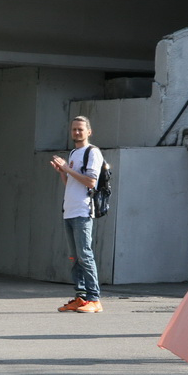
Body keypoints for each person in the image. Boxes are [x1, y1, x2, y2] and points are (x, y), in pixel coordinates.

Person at [50, 116, 104, 313]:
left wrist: (67, 168)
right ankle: (80, 297)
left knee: (85, 255)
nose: (77, 133)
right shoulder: (74, 153)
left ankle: (94, 298)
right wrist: (62, 172)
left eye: (80, 129)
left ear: (89, 131)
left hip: (83, 210)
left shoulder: (93, 152)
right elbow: (71, 184)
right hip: (69, 210)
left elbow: (91, 182)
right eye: (74, 129)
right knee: (75, 257)